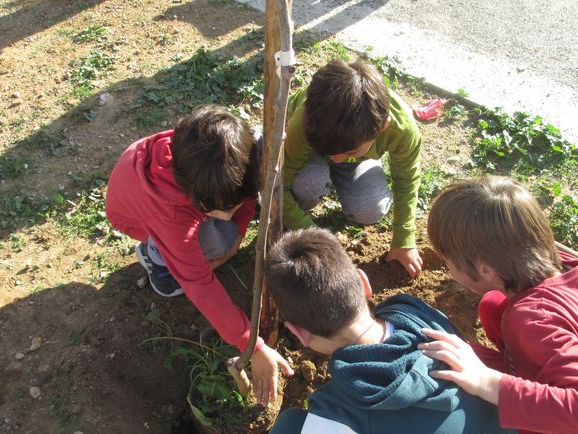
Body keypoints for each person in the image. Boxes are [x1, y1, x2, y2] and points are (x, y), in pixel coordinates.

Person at [420, 176, 578, 434]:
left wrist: (487, 382)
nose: (447, 267)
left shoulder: (532, 319)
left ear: (485, 270)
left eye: (447, 261)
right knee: (493, 306)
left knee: (470, 373)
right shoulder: (568, 267)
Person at [105, 105, 293, 405]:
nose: (231, 211)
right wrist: (253, 346)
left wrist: (239, 230)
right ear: (199, 201)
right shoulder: (172, 218)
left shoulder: (219, 152)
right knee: (212, 246)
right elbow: (201, 286)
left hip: (159, 195)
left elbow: (245, 195)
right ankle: (157, 259)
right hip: (140, 216)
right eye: (220, 208)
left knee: (225, 237)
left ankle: (176, 247)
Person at [266, 228, 511, 434]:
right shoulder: (419, 314)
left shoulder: (335, 410)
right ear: (364, 283)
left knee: (290, 425)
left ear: (299, 334)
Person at [283, 59, 424, 278]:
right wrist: (314, 236)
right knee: (308, 183)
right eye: (334, 154)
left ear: (382, 127)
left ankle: (352, 160)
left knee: (370, 209)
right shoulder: (302, 123)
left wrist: (404, 239)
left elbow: (406, 181)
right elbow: (278, 184)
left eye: (348, 151)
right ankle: (296, 213)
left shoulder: (403, 130)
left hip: (358, 160)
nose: (337, 160)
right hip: (311, 150)